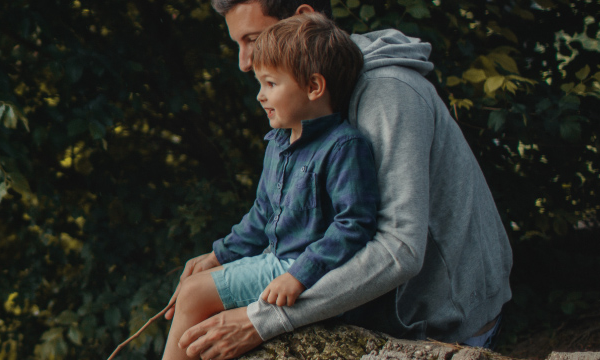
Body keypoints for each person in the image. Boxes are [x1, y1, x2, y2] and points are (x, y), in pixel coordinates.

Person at [165, 1, 515, 359]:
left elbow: (400, 249)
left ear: (303, 18)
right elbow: (282, 217)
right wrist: (221, 255)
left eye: (253, 39)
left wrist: (262, 320)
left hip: (438, 322)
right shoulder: (307, 104)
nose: (243, 62)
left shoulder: (387, 91)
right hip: (376, 309)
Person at [161, 13, 375, 360]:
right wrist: (219, 255)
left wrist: (300, 275)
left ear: (313, 87)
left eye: (271, 84)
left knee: (196, 293)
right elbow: (261, 215)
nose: (260, 96)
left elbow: (354, 225)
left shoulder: (343, 147)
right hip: (273, 260)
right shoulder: (278, 143)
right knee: (194, 286)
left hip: (303, 270)